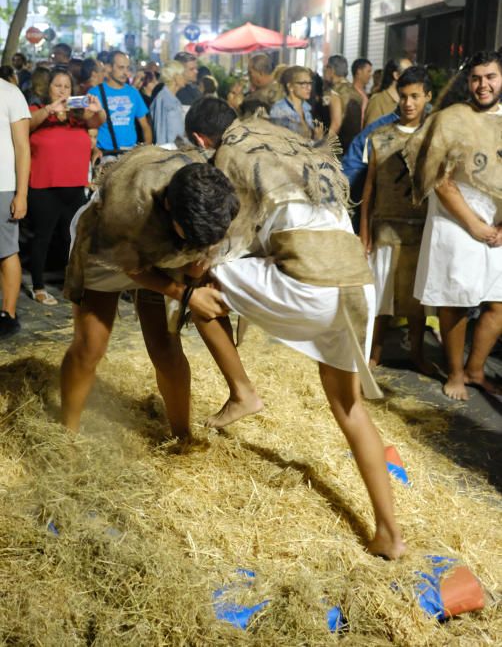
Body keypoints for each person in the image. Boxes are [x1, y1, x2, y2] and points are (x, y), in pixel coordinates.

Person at [184, 97, 406, 560]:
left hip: (312, 286)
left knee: (198, 284)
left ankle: (242, 391)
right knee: (349, 408)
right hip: (355, 284)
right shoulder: (285, 142)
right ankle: (390, 534)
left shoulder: (229, 156)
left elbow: (227, 239)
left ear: (202, 141)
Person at [61, 151, 240, 434]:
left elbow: (210, 240)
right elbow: (130, 267)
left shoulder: (213, 195)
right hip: (104, 251)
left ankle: (183, 438)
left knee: (166, 350)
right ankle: (66, 433)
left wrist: (206, 263)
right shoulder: (127, 209)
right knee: (89, 347)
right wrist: (187, 295)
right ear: (168, 206)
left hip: (166, 246)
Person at [409, 50, 502, 400]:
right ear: (468, 81)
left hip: (497, 222)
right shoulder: (451, 118)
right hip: (455, 219)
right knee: (456, 299)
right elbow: (438, 178)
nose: (483, 85)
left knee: (498, 303)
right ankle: (456, 373)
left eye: (490, 77)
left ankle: (476, 369)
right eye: (476, 78)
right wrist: (473, 224)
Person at [359, 67, 433, 371]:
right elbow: (370, 186)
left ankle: (417, 354)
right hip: (385, 228)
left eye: (415, 96)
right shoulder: (379, 137)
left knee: (416, 302)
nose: (409, 103)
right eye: (403, 96)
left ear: (427, 97)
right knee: (380, 298)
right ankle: (374, 352)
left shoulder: (434, 137)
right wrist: (364, 231)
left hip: (421, 231)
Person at [27, 67, 106, 305]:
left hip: (74, 187)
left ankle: (71, 282)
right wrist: (51, 109)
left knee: (72, 238)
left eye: (67, 87)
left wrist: (97, 108)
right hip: (44, 186)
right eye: (57, 86)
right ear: (47, 88)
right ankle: (38, 286)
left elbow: (99, 121)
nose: (63, 90)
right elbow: (27, 125)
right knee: (42, 238)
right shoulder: (36, 111)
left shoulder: (77, 117)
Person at [0, 78, 30, 338]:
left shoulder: (10, 93)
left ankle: (8, 313)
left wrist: (21, 193)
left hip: (3, 186)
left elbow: (23, 148)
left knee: (7, 251)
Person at [89, 50, 152, 155]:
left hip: (130, 153)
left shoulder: (133, 93)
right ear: (109, 68)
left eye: (127, 68)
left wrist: (146, 152)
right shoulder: (95, 93)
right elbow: (89, 127)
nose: (125, 73)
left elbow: (145, 126)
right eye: (121, 68)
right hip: (105, 154)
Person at [270, 66, 321, 139]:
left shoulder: (306, 108)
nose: (309, 87)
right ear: (290, 86)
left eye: (310, 83)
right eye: (303, 83)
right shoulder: (279, 109)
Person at [364, 57, 413, 126]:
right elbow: (369, 134)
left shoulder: (407, 101)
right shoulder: (378, 102)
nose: (414, 77)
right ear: (396, 75)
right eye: (408, 73)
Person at [338, 58, 373, 153]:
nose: (370, 75)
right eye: (368, 71)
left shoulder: (365, 94)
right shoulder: (349, 94)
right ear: (359, 72)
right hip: (351, 142)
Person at [150, 60, 186, 147]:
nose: (185, 77)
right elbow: (160, 132)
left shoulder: (173, 99)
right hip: (168, 154)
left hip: (176, 151)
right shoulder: (162, 99)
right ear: (175, 76)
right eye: (182, 74)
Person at [322, 54, 349, 136]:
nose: (324, 70)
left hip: (336, 141)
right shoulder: (355, 90)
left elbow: (335, 124)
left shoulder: (332, 93)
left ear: (331, 70)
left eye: (326, 67)